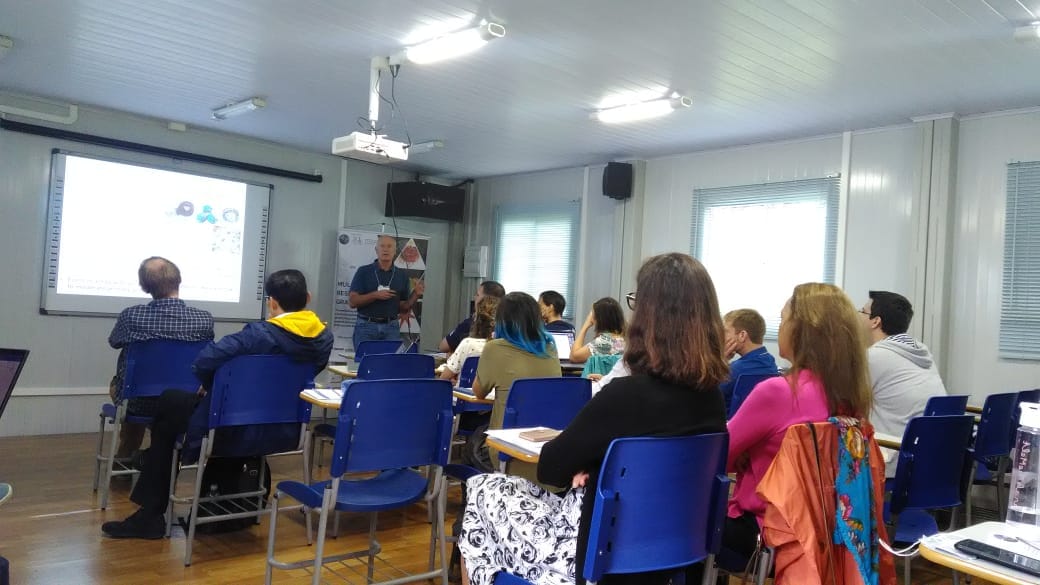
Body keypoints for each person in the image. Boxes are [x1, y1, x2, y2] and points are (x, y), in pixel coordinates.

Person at [459, 253, 729, 585]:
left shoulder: (623, 396)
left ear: (648, 317)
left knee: (483, 489)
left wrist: (587, 461)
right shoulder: (711, 399)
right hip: (671, 556)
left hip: (594, 557)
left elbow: (552, 468)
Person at [101, 269, 333, 539]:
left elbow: (205, 360)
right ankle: (155, 471)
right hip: (288, 429)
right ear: (307, 297)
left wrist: (208, 383)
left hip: (237, 427)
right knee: (172, 404)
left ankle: (150, 511)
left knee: (169, 406)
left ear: (271, 302)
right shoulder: (323, 339)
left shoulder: (256, 336)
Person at [723, 283, 873, 568]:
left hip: (767, 535)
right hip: (829, 535)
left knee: (679, 518)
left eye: (783, 320)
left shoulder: (779, 392)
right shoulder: (851, 398)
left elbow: (718, 456)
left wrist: (747, 456)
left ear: (803, 332)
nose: (779, 329)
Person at [108, 256, 214, 458]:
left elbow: (114, 342)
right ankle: (161, 450)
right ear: (179, 280)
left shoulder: (131, 316)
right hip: (184, 400)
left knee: (122, 391)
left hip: (139, 401)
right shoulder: (204, 319)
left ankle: (126, 456)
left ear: (144, 287)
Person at [471, 292, 562, 477]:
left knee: (471, 448)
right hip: (544, 446)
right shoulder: (550, 348)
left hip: (507, 448)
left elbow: (478, 392)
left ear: (502, 320)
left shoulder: (494, 347)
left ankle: (483, 500)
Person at [859, 290, 948, 476]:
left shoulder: (875, 357)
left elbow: (841, 402)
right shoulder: (922, 352)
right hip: (928, 458)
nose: (858, 317)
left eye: (862, 312)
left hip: (893, 458)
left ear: (876, 321)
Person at [348, 234, 424, 351]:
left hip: (391, 327)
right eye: (382, 246)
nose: (385, 249)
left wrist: (416, 294)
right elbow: (352, 302)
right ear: (376, 250)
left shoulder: (401, 275)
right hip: (366, 326)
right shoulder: (364, 271)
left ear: (395, 251)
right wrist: (375, 295)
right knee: (364, 363)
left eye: (389, 246)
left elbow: (403, 308)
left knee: (389, 364)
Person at [720, 309, 779, 417]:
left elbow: (708, 396)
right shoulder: (771, 362)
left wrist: (721, 361)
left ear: (742, 335)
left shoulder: (736, 369)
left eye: (725, 332)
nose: (721, 337)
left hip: (730, 427)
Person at [440, 296, 499, 385]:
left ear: (476, 319)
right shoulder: (504, 346)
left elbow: (443, 378)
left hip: (465, 396)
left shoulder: (468, 344)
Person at [439, 280, 506, 353]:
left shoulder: (469, 324)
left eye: (477, 295)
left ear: (486, 300)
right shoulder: (508, 327)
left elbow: (443, 347)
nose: (474, 298)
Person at [568, 297, 626, 364]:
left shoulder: (603, 343)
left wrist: (586, 325)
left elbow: (574, 357)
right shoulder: (627, 339)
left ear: (598, 319)